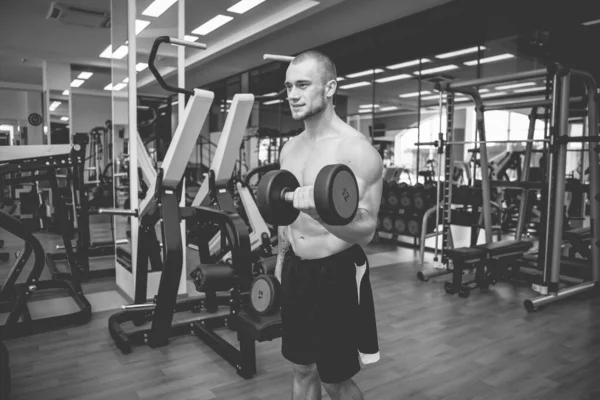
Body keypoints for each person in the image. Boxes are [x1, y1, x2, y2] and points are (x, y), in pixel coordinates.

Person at [274, 50, 383, 400]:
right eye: (289, 86)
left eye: (303, 85)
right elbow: (285, 216)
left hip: (336, 273)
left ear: (330, 87)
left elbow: (366, 230)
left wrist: (322, 214)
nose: (293, 94)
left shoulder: (355, 150)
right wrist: (281, 259)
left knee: (333, 378)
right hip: (296, 271)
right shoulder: (289, 149)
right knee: (302, 368)